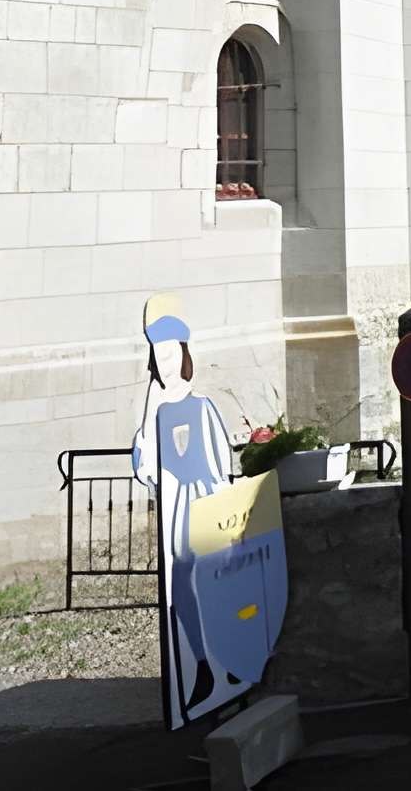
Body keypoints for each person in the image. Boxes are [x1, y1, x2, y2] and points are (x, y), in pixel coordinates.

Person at [131, 298, 240, 723]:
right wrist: (149, 407)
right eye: (159, 356)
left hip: (202, 511)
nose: (167, 364)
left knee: (210, 584)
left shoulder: (203, 407)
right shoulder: (156, 410)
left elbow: (218, 465)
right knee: (182, 590)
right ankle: (202, 668)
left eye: (173, 353)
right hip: (175, 515)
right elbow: (145, 467)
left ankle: (226, 664)